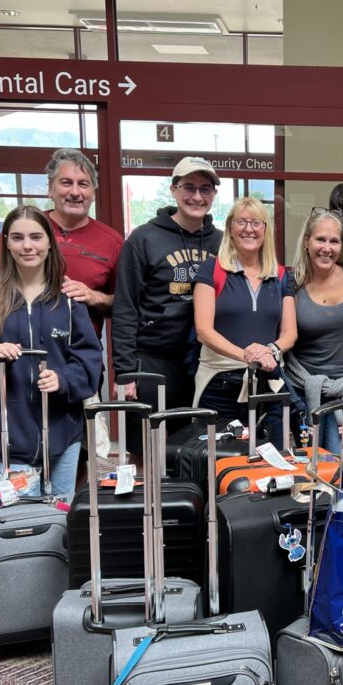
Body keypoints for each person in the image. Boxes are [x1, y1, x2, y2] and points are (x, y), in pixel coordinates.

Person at [0, 206, 103, 499]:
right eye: (18, 238)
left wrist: (64, 379)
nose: (27, 246)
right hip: (8, 435)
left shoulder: (68, 299)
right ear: (6, 242)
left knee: (60, 515)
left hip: (63, 430)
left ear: (50, 241)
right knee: (20, 520)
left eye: (36, 237)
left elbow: (90, 360)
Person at [111, 157, 224, 460]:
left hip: (203, 363)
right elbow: (125, 308)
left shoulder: (222, 243)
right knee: (146, 452)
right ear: (173, 189)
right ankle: (149, 507)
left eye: (205, 189)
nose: (197, 197)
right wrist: (125, 371)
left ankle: (187, 506)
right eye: (188, 187)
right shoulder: (144, 239)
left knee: (198, 451)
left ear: (214, 195)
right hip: (152, 362)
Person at [0, 148, 123, 341]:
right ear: (50, 189)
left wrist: (94, 297)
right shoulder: (23, 231)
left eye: (83, 184)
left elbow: (124, 306)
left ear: (93, 192)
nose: (75, 192)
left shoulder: (112, 242)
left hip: (79, 357)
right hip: (18, 352)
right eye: (66, 183)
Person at [193, 196, 296, 445]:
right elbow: (203, 331)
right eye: (241, 221)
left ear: (266, 229)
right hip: (219, 384)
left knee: (274, 462)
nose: (248, 229)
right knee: (219, 464)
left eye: (256, 223)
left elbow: (290, 334)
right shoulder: (212, 269)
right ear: (230, 227)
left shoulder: (281, 275)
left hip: (268, 384)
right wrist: (247, 356)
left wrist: (268, 352)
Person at [285, 208, 343, 452]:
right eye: (320, 239)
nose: (326, 248)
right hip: (303, 391)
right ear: (307, 241)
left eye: (334, 241)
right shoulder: (292, 282)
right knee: (312, 466)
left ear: (342, 245)